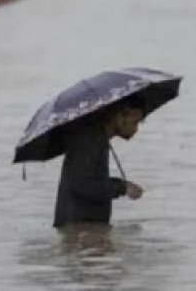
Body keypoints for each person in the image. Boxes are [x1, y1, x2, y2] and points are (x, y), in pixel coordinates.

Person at [53, 97, 145, 229]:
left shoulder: (96, 137)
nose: (136, 129)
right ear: (119, 116)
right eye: (135, 122)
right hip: (80, 228)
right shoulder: (90, 140)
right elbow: (81, 184)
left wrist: (123, 185)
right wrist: (123, 187)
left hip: (85, 227)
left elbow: (90, 179)